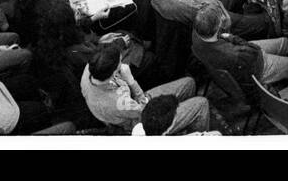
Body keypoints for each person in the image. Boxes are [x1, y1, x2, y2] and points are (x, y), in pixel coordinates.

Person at [80, 40, 210, 133]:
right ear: (114, 71)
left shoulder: (89, 69)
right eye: (120, 62)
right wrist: (131, 80)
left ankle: (184, 119)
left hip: (127, 107)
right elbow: (144, 108)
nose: (123, 63)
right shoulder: (120, 103)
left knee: (189, 82)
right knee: (201, 103)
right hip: (143, 121)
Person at [190, 4, 288, 95]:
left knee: (285, 43)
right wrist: (231, 36)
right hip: (256, 65)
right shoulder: (233, 54)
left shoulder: (196, 34)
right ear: (218, 27)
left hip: (241, 57)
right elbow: (254, 50)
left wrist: (227, 37)